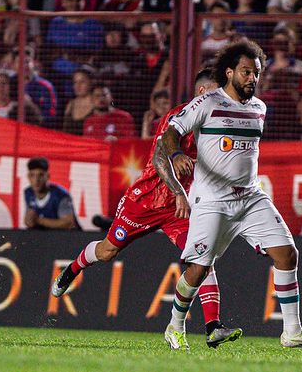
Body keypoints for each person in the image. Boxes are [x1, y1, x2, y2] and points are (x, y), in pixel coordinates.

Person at [51, 68, 243, 349]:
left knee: (202, 258)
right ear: (202, 93)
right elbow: (159, 158)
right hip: (145, 201)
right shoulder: (178, 118)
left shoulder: (217, 124)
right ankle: (72, 269)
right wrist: (178, 191)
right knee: (107, 251)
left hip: (178, 210)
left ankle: (212, 327)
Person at [156, 41, 302, 351]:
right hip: (213, 200)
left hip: (250, 197)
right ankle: (175, 325)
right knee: (198, 270)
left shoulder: (259, 108)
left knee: (287, 254)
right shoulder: (207, 103)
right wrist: (176, 154)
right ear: (229, 72)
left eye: (256, 73)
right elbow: (170, 132)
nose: (252, 78)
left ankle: (292, 331)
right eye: (246, 72)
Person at [23, 157, 79, 230]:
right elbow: (30, 220)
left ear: (47, 176)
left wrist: (39, 220)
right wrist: (29, 221)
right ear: (28, 177)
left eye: (40, 175)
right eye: (32, 175)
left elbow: (69, 223)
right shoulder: (28, 193)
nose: (36, 180)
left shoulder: (60, 195)